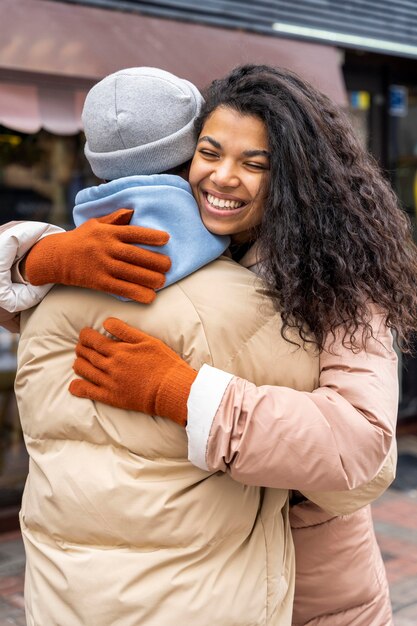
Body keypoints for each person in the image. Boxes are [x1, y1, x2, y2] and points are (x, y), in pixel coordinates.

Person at [0, 65, 405, 624]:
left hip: (311, 581)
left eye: (255, 164)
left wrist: (185, 393)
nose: (223, 177)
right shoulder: (176, 249)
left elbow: (362, 442)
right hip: (205, 574)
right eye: (210, 153)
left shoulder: (341, 282)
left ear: (297, 179)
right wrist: (37, 257)